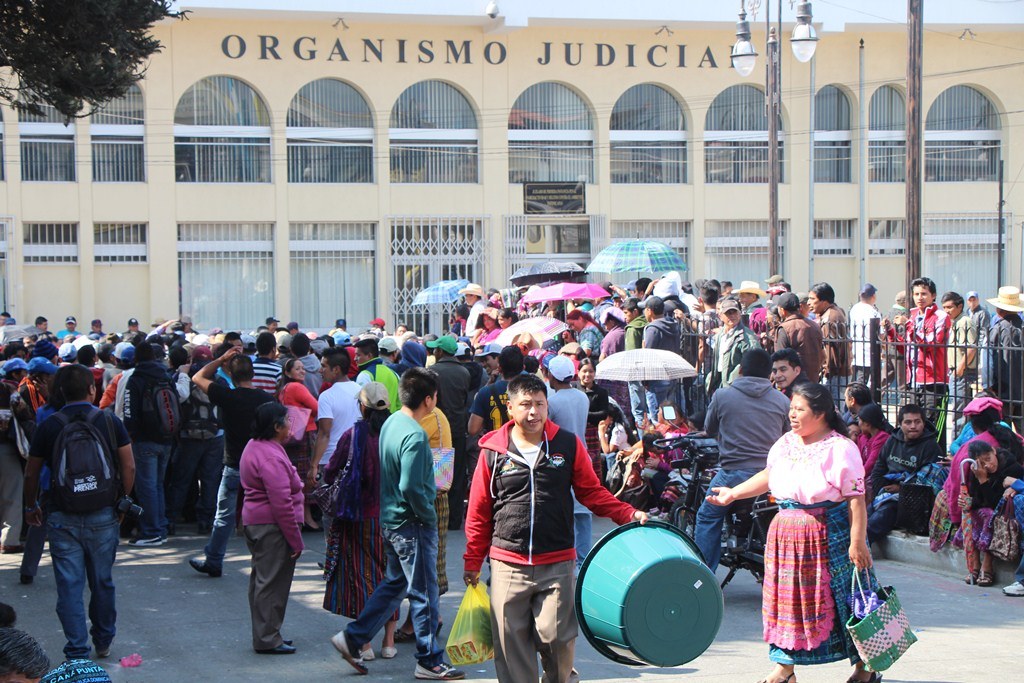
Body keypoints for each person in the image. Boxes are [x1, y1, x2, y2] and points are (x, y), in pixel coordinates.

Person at [464, 373, 648, 683]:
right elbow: (479, 510)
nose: (533, 412)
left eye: (540, 404)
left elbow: (592, 492)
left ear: (547, 406)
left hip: (557, 562)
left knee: (558, 640)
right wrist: (472, 560)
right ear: (510, 408)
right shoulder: (493, 451)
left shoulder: (567, 444)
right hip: (508, 563)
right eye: (526, 405)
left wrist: (627, 513)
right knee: (510, 647)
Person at [706, 383, 875, 683]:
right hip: (785, 534)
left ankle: (865, 666)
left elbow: (856, 499)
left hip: (829, 534)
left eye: (799, 409)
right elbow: (769, 475)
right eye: (791, 409)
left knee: (846, 599)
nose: (792, 415)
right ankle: (784, 667)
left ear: (820, 414)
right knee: (784, 601)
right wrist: (733, 493)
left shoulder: (840, 449)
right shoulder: (786, 443)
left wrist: (857, 541)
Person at [331, 368, 464, 681]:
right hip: (412, 523)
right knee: (424, 593)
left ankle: (353, 637)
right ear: (429, 399)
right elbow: (411, 486)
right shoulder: (414, 435)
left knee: (395, 586)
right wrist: (427, 516)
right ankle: (429, 659)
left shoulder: (392, 422)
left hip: (392, 519)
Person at [22, 365, 136, 660]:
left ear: (59, 392)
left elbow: (31, 472)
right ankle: (104, 639)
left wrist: (31, 506)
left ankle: (76, 649)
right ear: (92, 389)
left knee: (69, 585)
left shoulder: (50, 424)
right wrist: (123, 500)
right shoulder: (108, 421)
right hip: (103, 511)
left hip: (62, 513)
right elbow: (129, 465)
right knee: (102, 581)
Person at [322, 383, 398, 660]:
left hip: (361, 515)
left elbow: (331, 470)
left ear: (362, 407)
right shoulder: (398, 433)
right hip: (395, 516)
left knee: (363, 577)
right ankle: (389, 641)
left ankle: (364, 644)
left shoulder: (353, 435)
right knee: (391, 578)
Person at [696, 349, 790, 571]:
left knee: (707, 517)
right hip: (771, 476)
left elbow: (710, 428)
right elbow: (788, 436)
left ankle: (704, 576)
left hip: (733, 473)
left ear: (739, 370)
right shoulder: (782, 400)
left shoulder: (722, 396)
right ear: (769, 374)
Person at [188, 347, 276, 578]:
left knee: (223, 517)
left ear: (231, 375)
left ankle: (214, 559)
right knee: (266, 515)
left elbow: (197, 377)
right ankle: (267, 562)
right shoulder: (267, 400)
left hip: (235, 464)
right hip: (261, 465)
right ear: (252, 374)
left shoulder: (227, 396)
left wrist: (220, 359)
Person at [239, 403, 304, 654]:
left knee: (263, 581)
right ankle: (267, 638)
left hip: (259, 523)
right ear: (276, 426)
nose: (290, 425)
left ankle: (267, 633)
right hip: (271, 527)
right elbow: (281, 503)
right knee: (271, 585)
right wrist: (295, 539)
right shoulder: (270, 456)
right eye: (287, 421)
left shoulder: (256, 446)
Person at [122, 342, 184, 546]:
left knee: (146, 486)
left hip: (144, 440)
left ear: (136, 358)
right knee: (157, 485)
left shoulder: (136, 378)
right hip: (167, 437)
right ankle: (160, 527)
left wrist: (130, 435)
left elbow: (129, 412)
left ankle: (151, 531)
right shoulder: (165, 376)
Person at [866, 404, 942, 544]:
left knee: (873, 525)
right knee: (861, 519)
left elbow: (927, 482)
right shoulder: (892, 440)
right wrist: (882, 491)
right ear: (900, 424)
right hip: (884, 495)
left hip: (910, 502)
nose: (913, 426)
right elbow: (878, 470)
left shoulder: (931, 447)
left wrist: (901, 489)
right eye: (908, 422)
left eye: (917, 422)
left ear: (923, 423)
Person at [955, 441, 1023, 586]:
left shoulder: (1012, 468)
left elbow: (996, 503)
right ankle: (974, 563)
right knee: (973, 513)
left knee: (989, 515)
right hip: (989, 509)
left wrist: (983, 480)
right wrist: (968, 502)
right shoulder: (977, 470)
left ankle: (987, 565)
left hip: (1003, 513)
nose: (987, 465)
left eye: (988, 458)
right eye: (982, 463)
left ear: (994, 451)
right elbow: (978, 499)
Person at [425, 335, 471, 530]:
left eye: (436, 349)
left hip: (439, 427)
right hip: (459, 428)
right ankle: (454, 519)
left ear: (440, 352)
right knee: (458, 474)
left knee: (439, 475)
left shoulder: (432, 372)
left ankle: (439, 516)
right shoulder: (464, 372)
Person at [311, 348, 362, 488]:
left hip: (331, 459)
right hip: (356, 455)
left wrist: (314, 465)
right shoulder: (361, 390)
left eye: (324, 366)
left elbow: (324, 434)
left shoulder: (327, 396)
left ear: (336, 369)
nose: (320, 370)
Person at [278, 357, 319, 529]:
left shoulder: (284, 388)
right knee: (306, 475)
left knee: (296, 476)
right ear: (288, 373)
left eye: (303, 368)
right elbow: (317, 407)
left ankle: (302, 517)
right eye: (298, 369)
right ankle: (306, 518)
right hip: (305, 434)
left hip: (293, 435)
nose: (302, 371)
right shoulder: (297, 387)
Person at [984, 286, 1024, 433]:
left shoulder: (996, 330)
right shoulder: (1021, 328)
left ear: (999, 310)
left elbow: (988, 363)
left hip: (1002, 390)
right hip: (1021, 390)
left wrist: (988, 387)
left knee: (1002, 432)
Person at [706, 297, 759, 396]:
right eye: (728, 313)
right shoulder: (720, 335)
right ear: (720, 316)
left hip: (738, 387)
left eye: (735, 312)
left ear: (739, 314)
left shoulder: (747, 336)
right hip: (721, 384)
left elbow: (754, 363)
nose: (732, 316)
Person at [808, 282, 851, 404]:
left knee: (834, 407)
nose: (808, 303)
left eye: (812, 299)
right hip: (839, 372)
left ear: (824, 301)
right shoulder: (835, 311)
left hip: (834, 374)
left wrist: (826, 372)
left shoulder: (829, 318)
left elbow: (831, 352)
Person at [467, 346, 522, 437]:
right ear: (522, 367)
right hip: (520, 443)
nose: (484, 363)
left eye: (486, 359)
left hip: (494, 443)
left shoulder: (485, 392)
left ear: (499, 368)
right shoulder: (530, 392)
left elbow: (472, 429)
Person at [641, 295, 683, 413]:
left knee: (657, 414)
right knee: (668, 413)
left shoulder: (652, 329)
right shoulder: (673, 324)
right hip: (672, 375)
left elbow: (648, 355)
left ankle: (661, 426)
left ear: (650, 311)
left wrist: (645, 380)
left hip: (656, 377)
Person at [774, 292, 824, 383]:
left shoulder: (785, 328)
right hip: (813, 381)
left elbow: (780, 360)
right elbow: (823, 355)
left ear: (782, 310)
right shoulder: (814, 326)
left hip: (794, 383)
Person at [578, 359, 609, 479]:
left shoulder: (601, 392)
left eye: (590, 371)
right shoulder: (573, 389)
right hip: (576, 432)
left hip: (592, 433)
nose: (587, 374)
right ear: (578, 372)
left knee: (593, 467)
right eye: (584, 371)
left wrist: (585, 414)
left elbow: (604, 413)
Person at [354, 337, 400, 413]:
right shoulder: (394, 373)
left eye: (358, 355)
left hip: (373, 420)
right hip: (392, 419)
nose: (355, 358)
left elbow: (361, 405)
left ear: (369, 356)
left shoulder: (365, 375)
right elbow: (399, 403)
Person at [855, 404, 892, 495]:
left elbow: (870, 464)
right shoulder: (863, 437)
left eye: (859, 420)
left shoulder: (882, 438)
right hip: (862, 476)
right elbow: (858, 459)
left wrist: (855, 478)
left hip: (875, 479)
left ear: (867, 423)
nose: (858, 423)